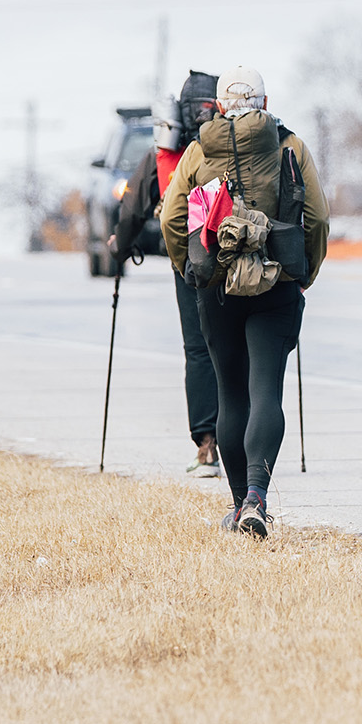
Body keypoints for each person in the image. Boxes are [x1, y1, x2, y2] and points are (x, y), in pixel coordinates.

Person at [161, 66, 328, 538]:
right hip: (276, 286)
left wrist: (193, 271)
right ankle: (257, 495)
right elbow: (316, 217)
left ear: (218, 105)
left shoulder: (197, 149)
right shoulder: (288, 144)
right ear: (265, 102)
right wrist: (303, 276)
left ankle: (239, 507)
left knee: (231, 395)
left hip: (217, 289)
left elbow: (174, 218)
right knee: (266, 391)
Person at [111, 70, 224, 477]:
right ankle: (245, 447)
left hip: (189, 265)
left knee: (198, 351)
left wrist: (119, 248)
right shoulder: (234, 145)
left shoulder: (165, 154)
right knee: (237, 351)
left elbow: (132, 206)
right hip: (236, 264)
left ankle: (207, 446)